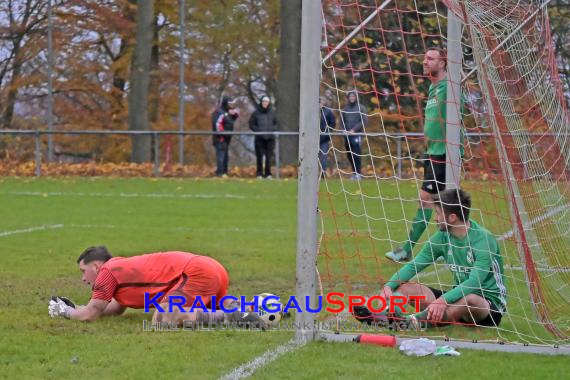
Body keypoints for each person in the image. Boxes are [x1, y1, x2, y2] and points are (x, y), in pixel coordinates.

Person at [355, 189, 507, 328]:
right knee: (405, 287)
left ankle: (413, 323)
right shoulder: (442, 236)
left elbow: (475, 283)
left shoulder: (483, 240)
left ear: (452, 217)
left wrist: (442, 301)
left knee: (470, 298)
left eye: (438, 213)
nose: (435, 218)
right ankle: (387, 315)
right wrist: (388, 286)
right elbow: (414, 265)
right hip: (456, 299)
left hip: (487, 308)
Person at [48, 246, 261, 326]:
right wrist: (77, 308)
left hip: (195, 271)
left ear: (95, 266)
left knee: (162, 318)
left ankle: (231, 318)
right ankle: (255, 308)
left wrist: (65, 312)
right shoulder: (117, 268)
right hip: (212, 268)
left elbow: (90, 315)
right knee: (207, 307)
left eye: (83, 272)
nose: (83, 279)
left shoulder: (107, 273)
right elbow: (114, 308)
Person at [386, 47, 463, 262]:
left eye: (430, 58)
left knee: (428, 201)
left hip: (443, 155)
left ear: (444, 63)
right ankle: (447, 250)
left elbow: (459, 104)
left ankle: (407, 250)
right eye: (424, 57)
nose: (425, 61)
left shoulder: (450, 86)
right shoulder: (433, 87)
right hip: (432, 153)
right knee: (443, 208)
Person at [249, 95, 278, 178]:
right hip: (259, 138)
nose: (265, 103)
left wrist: (272, 129)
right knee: (259, 157)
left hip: (270, 139)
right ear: (261, 102)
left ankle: (268, 173)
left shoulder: (272, 112)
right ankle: (259, 173)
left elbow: (276, 123)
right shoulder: (255, 113)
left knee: (269, 157)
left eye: (267, 102)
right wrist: (257, 131)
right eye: (264, 102)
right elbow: (251, 124)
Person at [341, 91, 367, 180]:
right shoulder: (345, 109)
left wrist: (354, 130)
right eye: (350, 96)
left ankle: (358, 174)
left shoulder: (361, 108)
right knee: (349, 154)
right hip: (347, 136)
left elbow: (364, 121)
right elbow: (342, 121)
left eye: (353, 96)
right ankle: (354, 173)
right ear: (348, 98)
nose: (352, 98)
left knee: (356, 154)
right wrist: (344, 130)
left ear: (356, 97)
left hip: (357, 135)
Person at [212, 96, 239, 177]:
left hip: (227, 138)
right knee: (221, 156)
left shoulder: (227, 113)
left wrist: (234, 114)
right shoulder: (219, 112)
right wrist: (223, 133)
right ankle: (220, 173)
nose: (232, 106)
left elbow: (230, 121)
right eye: (230, 104)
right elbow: (217, 125)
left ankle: (224, 172)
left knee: (225, 156)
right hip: (220, 138)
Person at [319, 97, 336, 176]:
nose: (321, 103)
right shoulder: (313, 111)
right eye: (319, 101)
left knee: (323, 155)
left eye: (322, 101)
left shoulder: (328, 112)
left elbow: (332, 124)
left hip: (324, 138)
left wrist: (327, 134)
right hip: (313, 138)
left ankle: (323, 172)